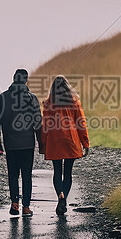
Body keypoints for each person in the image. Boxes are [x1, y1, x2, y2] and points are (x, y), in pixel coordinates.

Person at [0, 69, 42, 217]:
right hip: (27, 144)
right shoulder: (32, 98)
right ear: (26, 81)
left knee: (13, 175)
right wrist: (41, 143)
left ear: (13, 79)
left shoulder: (3, 98)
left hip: (10, 144)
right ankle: (26, 207)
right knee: (27, 175)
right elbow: (38, 123)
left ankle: (14, 204)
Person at [40, 75, 89, 215]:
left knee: (57, 171)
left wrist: (43, 143)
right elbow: (81, 123)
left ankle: (60, 195)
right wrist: (85, 143)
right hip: (70, 140)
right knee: (68, 172)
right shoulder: (74, 102)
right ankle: (64, 198)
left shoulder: (48, 103)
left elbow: (45, 126)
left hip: (55, 141)